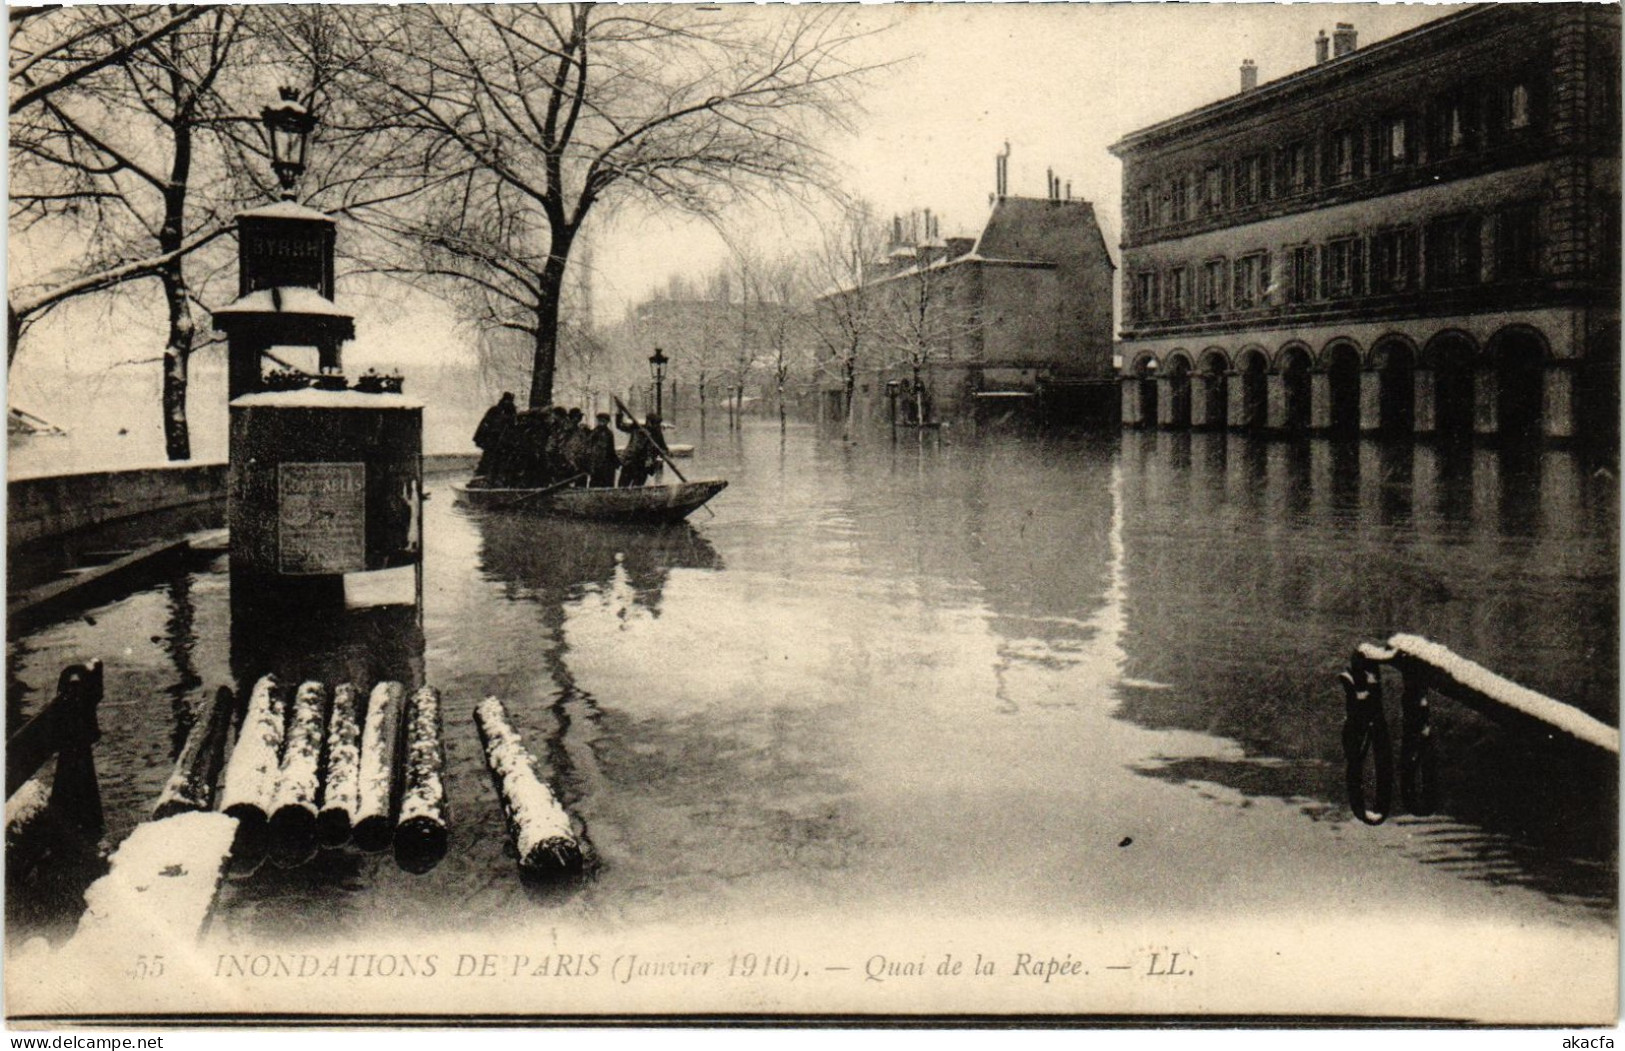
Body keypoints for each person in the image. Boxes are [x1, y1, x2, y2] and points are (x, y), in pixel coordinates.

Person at [616, 410, 668, 487]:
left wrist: (657, 458)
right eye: (652, 422)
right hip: (630, 462)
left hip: (643, 466)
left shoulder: (657, 435)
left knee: (638, 488)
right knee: (622, 486)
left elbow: (664, 449)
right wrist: (619, 413)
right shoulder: (637, 428)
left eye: (656, 424)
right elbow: (620, 426)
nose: (654, 425)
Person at [472, 392, 516, 479]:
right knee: (490, 459)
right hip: (493, 440)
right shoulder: (496, 411)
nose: (508, 403)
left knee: (496, 460)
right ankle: (482, 476)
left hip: (501, 441)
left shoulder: (510, 412)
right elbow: (486, 425)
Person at [583, 412, 619, 488]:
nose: (601, 422)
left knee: (604, 483)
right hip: (597, 463)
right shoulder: (595, 432)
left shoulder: (607, 433)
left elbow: (609, 448)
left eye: (603, 420)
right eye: (600, 420)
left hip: (605, 463)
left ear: (607, 422)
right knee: (596, 483)